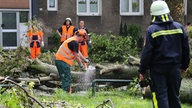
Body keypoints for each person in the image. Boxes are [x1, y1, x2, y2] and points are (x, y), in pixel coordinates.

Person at [138, 1, 190, 108]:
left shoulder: (152, 30)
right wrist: (185, 65)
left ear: (154, 15)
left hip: (158, 71)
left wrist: (142, 71)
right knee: (174, 97)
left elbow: (147, 53)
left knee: (161, 97)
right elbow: (186, 49)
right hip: (175, 69)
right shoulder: (179, 28)